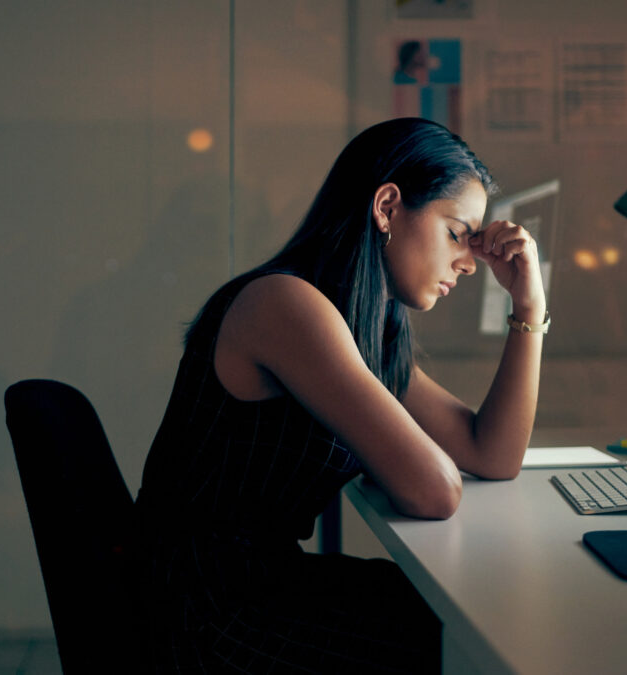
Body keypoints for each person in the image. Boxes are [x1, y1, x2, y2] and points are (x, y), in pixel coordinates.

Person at [132, 117, 546, 672]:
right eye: (456, 232)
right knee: (457, 640)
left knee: (476, 614)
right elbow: (435, 492)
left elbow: (492, 456)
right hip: (202, 613)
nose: (469, 262)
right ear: (387, 207)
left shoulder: (366, 329)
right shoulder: (286, 306)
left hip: (260, 583)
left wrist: (529, 309)